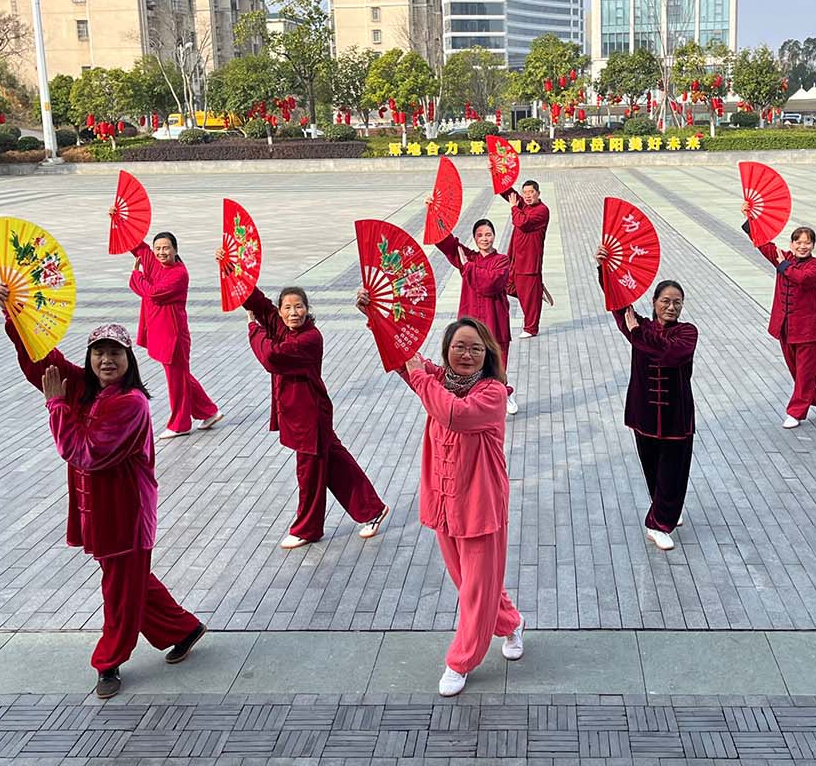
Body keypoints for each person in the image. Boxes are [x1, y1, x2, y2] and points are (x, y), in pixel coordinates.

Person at [0, 284, 206, 699]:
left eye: (115, 353)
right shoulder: (87, 388)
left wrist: (56, 408)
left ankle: (108, 661)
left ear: (129, 362)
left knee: (119, 591)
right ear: (90, 360)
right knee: (132, 583)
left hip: (125, 513)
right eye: (98, 353)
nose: (106, 360)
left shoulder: (129, 404)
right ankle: (185, 629)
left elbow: (87, 452)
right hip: (103, 509)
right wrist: (16, 314)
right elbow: (45, 363)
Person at [356, 298, 523, 698]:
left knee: (476, 590)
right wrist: (377, 318)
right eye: (459, 347)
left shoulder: (492, 394)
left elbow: (454, 414)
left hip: (481, 503)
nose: (466, 354)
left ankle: (461, 660)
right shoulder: (440, 381)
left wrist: (419, 375)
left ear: (488, 355)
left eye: (475, 348)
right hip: (445, 500)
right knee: (468, 582)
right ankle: (511, 622)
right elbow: (405, 359)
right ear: (447, 350)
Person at [221, 254, 389, 550]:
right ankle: (372, 509)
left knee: (309, 473)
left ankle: (308, 528)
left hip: (309, 415)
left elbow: (271, 356)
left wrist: (253, 329)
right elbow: (258, 301)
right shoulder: (282, 326)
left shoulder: (310, 339)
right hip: (301, 414)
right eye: (287, 307)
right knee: (334, 463)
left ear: (307, 309)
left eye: (299, 307)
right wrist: (230, 268)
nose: (293, 312)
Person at [596, 254, 698, 552]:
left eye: (677, 302)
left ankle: (658, 524)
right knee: (653, 470)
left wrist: (638, 333)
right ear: (654, 302)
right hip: (643, 414)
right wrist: (605, 268)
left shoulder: (687, 332)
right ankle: (666, 509)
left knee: (674, 471)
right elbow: (617, 302)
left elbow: (671, 355)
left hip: (676, 417)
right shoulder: (640, 325)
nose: (671, 306)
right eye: (665, 300)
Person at [126, 229, 222, 439]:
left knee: (176, 378)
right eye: (157, 248)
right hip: (161, 330)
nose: (161, 252)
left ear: (175, 250)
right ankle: (209, 411)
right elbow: (135, 244)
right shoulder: (154, 262)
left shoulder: (179, 274)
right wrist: (118, 220)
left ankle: (180, 424)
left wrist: (136, 276)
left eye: (166, 248)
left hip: (173, 333)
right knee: (180, 375)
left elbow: (153, 293)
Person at [745, 222, 816, 429]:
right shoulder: (784, 257)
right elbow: (763, 244)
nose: (803, 246)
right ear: (791, 244)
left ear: (813, 245)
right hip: (785, 327)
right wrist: (751, 218)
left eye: (807, 243)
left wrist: (783, 265)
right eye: (798, 242)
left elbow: (803, 278)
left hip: (809, 330)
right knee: (797, 372)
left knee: (804, 374)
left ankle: (795, 413)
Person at [434, 217, 518, 415]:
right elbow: (448, 243)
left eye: (488, 234)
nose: (484, 238)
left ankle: (504, 393)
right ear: (474, 237)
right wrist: (435, 215)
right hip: (472, 322)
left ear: (494, 236)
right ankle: (473, 400)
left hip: (494, 320)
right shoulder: (468, 257)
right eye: (479, 235)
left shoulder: (502, 261)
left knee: (496, 363)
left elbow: (491, 284)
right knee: (469, 362)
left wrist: (468, 268)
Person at [506, 180, 550, 339]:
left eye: (531, 192)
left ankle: (531, 329)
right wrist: (495, 173)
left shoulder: (542, 211)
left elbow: (521, 222)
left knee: (529, 298)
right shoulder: (523, 205)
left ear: (538, 193)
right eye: (525, 193)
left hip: (529, 263)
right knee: (507, 285)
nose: (527, 196)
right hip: (516, 259)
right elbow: (508, 193)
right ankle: (535, 294)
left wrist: (513, 207)